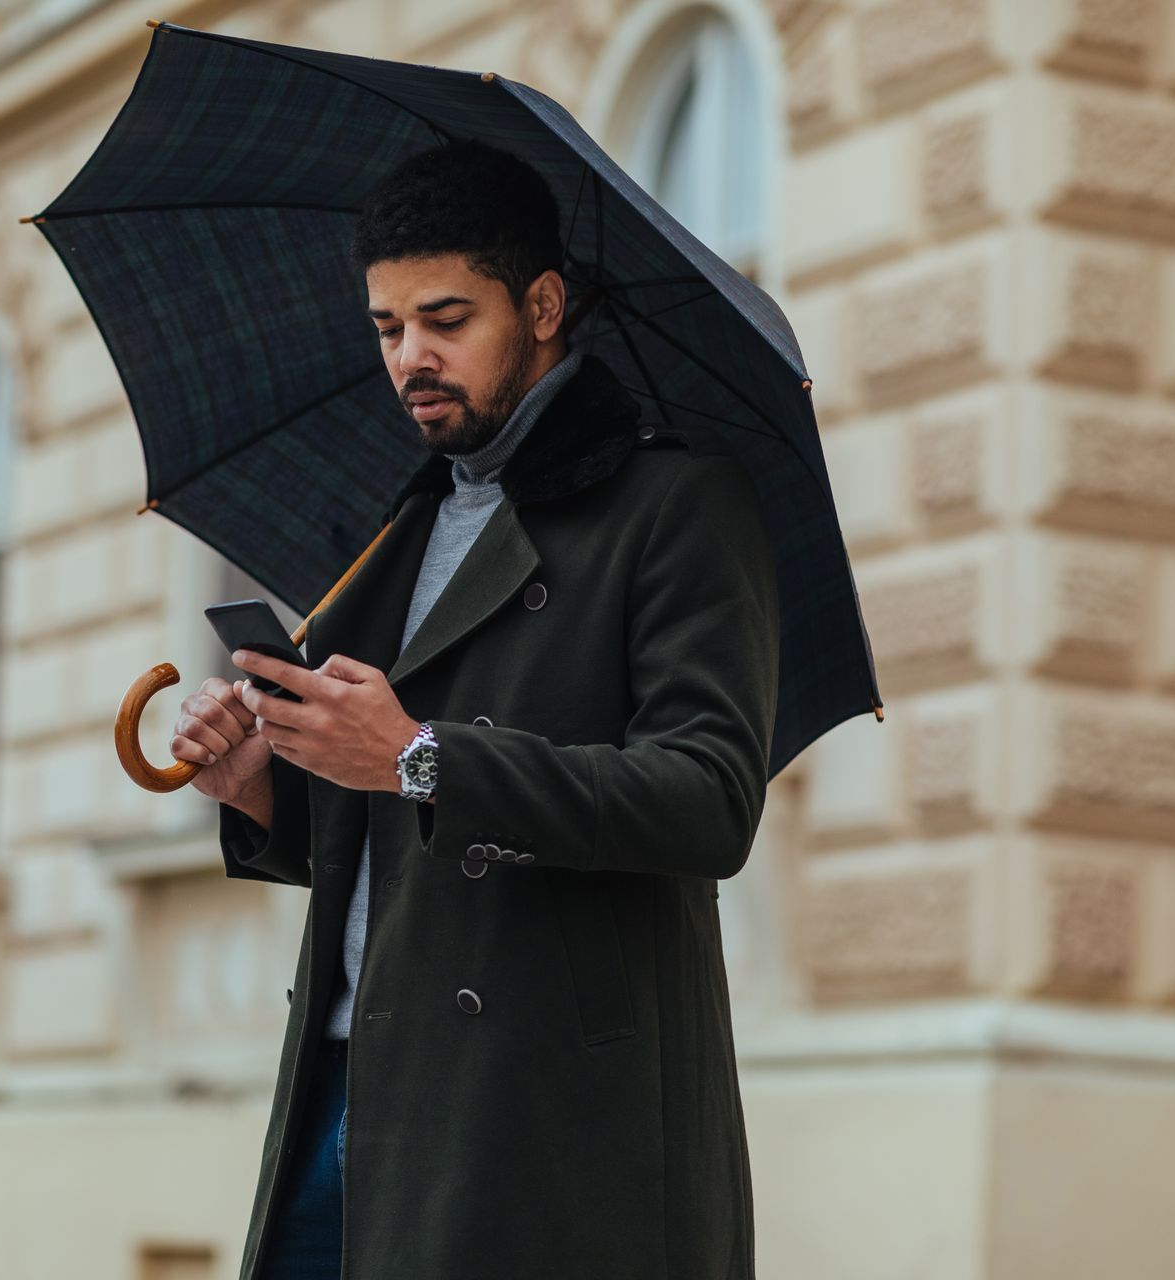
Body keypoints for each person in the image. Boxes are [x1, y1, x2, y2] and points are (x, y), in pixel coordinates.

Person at [173, 137, 779, 1279]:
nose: (412, 358)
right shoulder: (399, 521)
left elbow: (709, 797)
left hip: (539, 1117)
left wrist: (417, 756)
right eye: (388, 327)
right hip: (349, 1083)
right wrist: (263, 784)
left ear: (543, 304)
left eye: (446, 319)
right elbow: (391, 827)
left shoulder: (675, 502)